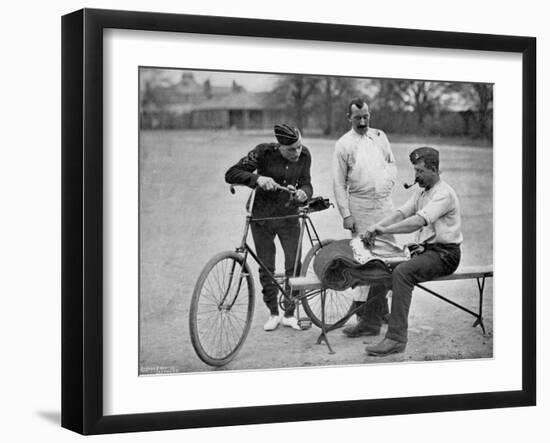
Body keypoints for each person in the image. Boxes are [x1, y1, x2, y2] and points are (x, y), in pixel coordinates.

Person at [364, 147, 462, 356]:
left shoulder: (444, 194)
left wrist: (384, 230)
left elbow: (417, 222)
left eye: (419, 171)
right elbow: (402, 213)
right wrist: (376, 227)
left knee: (402, 273)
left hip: (445, 255)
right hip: (428, 251)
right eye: (415, 171)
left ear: (434, 169)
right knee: (382, 263)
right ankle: (370, 322)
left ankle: (396, 338)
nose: (416, 176)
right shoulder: (422, 191)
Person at [225, 124, 313, 331]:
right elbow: (231, 174)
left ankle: (290, 313)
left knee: (294, 264)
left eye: (299, 146)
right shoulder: (262, 152)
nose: (297, 152)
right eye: (291, 149)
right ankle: (273, 312)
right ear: (279, 147)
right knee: (266, 266)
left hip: (289, 215)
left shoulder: (305, 155)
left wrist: (304, 193)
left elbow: (307, 183)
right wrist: (257, 179)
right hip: (262, 218)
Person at [332, 97, 397, 338]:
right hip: (360, 206)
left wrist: (387, 184)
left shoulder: (380, 136)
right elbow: (338, 183)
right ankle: (364, 318)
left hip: (384, 205)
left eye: (366, 116)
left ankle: (381, 311)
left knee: (388, 257)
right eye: (357, 117)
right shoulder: (343, 144)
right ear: (349, 118)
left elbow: (392, 164)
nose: (362, 121)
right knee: (365, 260)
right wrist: (346, 214)